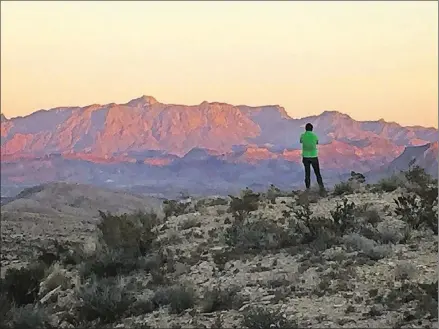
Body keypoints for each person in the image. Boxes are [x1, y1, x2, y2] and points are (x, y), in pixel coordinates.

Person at [299, 123, 325, 194]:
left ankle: (308, 189)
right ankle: (321, 188)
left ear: (305, 129)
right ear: (312, 129)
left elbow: (301, 141)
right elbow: (317, 142)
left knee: (307, 174)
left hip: (305, 157)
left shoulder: (303, 136)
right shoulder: (314, 136)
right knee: (317, 173)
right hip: (314, 156)